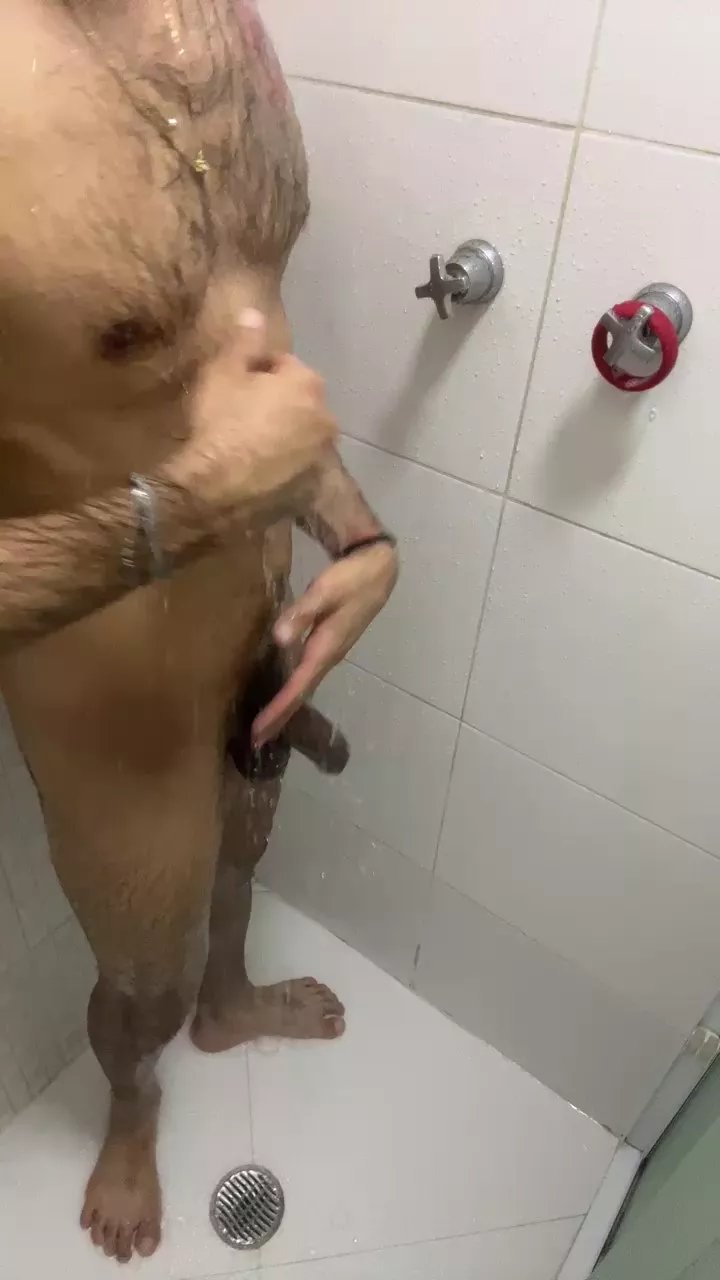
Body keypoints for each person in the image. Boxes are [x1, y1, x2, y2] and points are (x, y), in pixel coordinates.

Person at [0, 1, 398, 1265]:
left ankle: (229, 998)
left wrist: (358, 533)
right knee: (143, 976)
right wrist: (195, 502)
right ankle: (135, 1105)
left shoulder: (214, 23)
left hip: (257, 606)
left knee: (250, 841)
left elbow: (230, 349)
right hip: (110, 692)